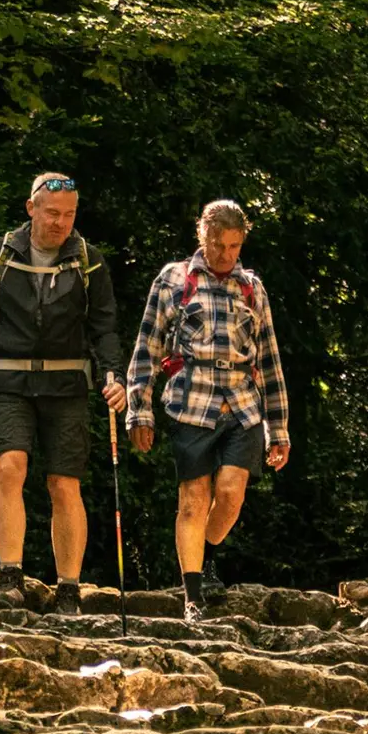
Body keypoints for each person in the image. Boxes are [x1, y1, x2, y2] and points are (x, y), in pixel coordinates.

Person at [0, 172, 125, 614]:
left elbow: (105, 328)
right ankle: (10, 577)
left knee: (64, 483)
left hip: (67, 386)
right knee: (9, 468)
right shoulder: (0, 253)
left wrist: (114, 375)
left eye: (69, 214)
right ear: (31, 208)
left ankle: (68, 590)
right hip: (9, 381)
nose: (61, 223)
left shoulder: (90, 260)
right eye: (52, 213)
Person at [125, 199, 289, 622]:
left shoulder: (252, 288)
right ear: (203, 236)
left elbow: (269, 359)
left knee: (231, 494)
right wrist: (138, 410)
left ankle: (208, 553)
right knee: (194, 501)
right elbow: (147, 348)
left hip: (243, 403)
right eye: (218, 245)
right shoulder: (173, 280)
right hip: (189, 401)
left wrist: (279, 429)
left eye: (234, 246)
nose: (226, 255)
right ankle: (193, 597)